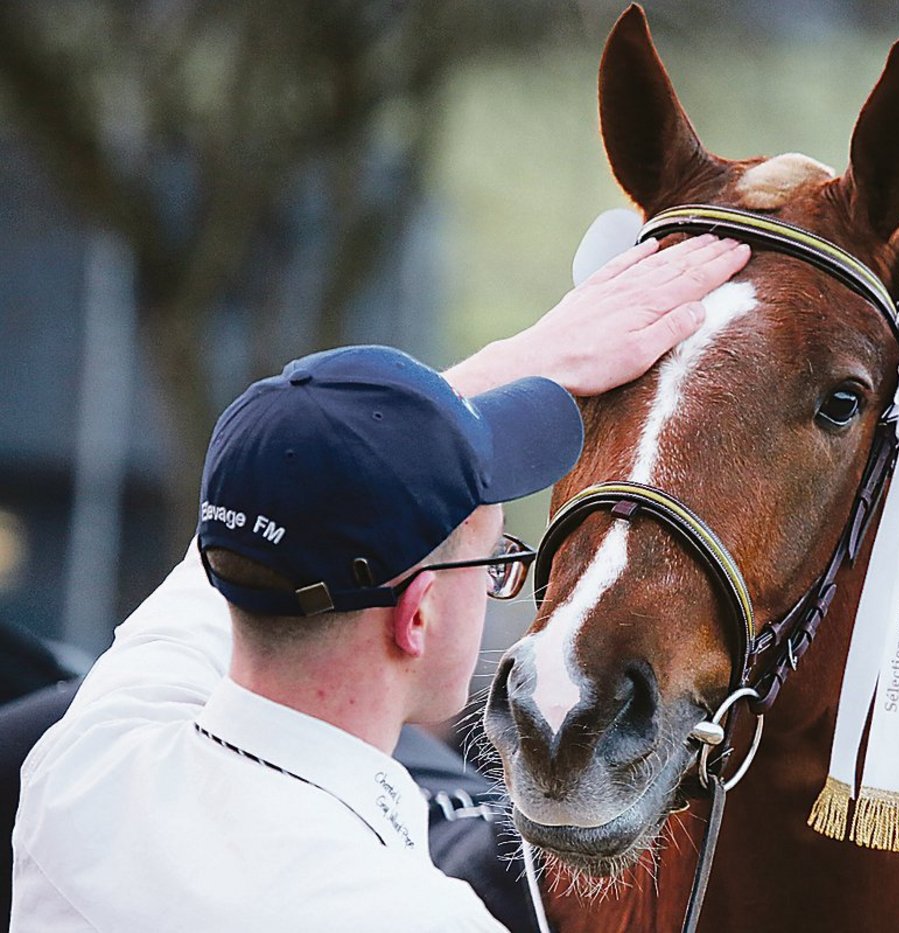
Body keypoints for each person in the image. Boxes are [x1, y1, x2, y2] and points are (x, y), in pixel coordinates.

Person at [10, 234, 751, 932]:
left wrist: (522, 362)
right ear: (416, 617)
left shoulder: (88, 766)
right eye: (496, 562)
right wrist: (522, 358)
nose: (501, 580)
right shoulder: (415, 916)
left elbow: (230, 552)